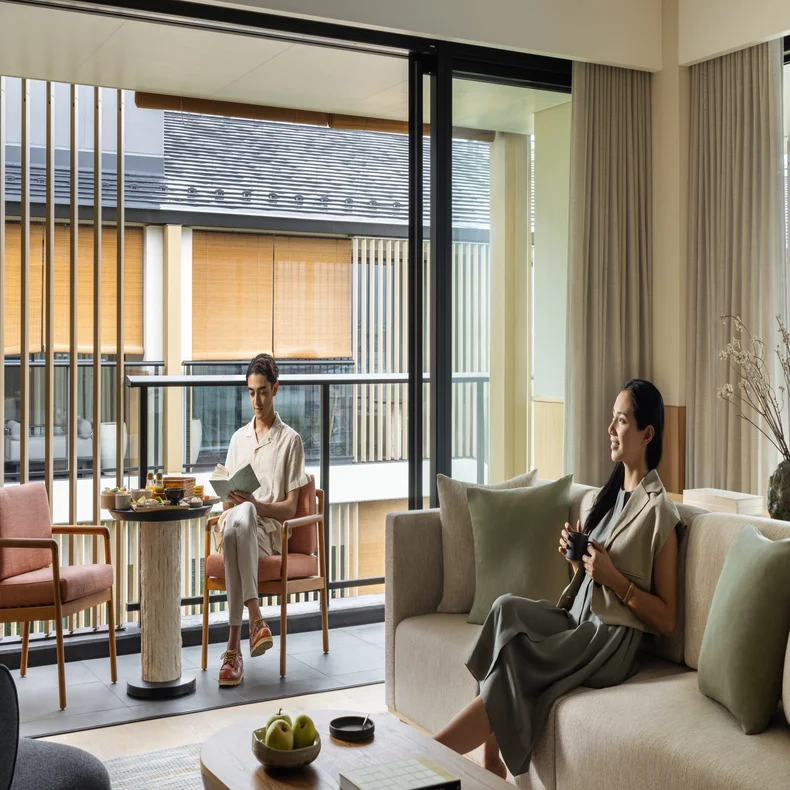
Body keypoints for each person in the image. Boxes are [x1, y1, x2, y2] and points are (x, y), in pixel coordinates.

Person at [434, 378, 682, 779]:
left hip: (607, 641)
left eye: (620, 421)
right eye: (612, 420)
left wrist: (613, 578)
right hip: (576, 620)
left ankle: (430, 757)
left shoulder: (661, 514)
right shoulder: (610, 496)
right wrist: (577, 559)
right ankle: (488, 758)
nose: (610, 429)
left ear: (646, 433)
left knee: (515, 655)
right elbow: (591, 578)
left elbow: (667, 620)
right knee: (505, 609)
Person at [214, 353, 310, 687]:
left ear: (276, 389)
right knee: (236, 522)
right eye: (252, 392)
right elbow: (229, 500)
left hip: (267, 533)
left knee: (242, 523)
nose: (257, 400)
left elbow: (289, 509)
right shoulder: (237, 439)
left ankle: (232, 650)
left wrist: (255, 504)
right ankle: (256, 621)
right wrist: (231, 498)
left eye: (263, 392)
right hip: (235, 523)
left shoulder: (290, 441)